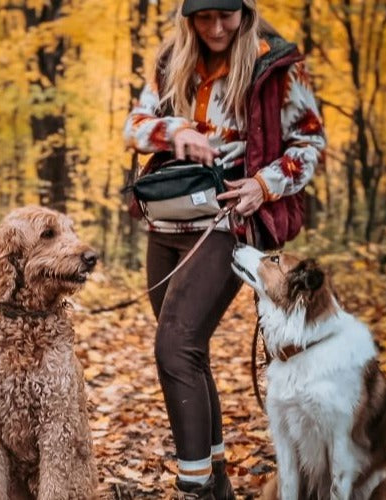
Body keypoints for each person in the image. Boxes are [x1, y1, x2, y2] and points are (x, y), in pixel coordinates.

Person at [123, 0, 325, 498]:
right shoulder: (174, 58)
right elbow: (134, 126)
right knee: (189, 354)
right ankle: (216, 485)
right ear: (188, 18)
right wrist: (177, 130)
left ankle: (193, 489)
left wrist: (263, 184)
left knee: (174, 348)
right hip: (167, 219)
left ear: (245, 11)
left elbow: (310, 143)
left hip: (227, 220)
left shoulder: (276, 64)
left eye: (226, 15)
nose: (216, 28)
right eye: (203, 17)